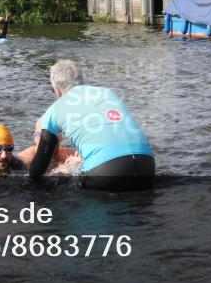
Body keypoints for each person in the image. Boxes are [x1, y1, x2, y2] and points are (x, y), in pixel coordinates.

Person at [30, 60, 154, 191]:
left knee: (56, 179)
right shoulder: (108, 93)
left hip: (107, 173)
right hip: (146, 166)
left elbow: (40, 163)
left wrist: (31, 182)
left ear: (56, 88)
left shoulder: (54, 110)